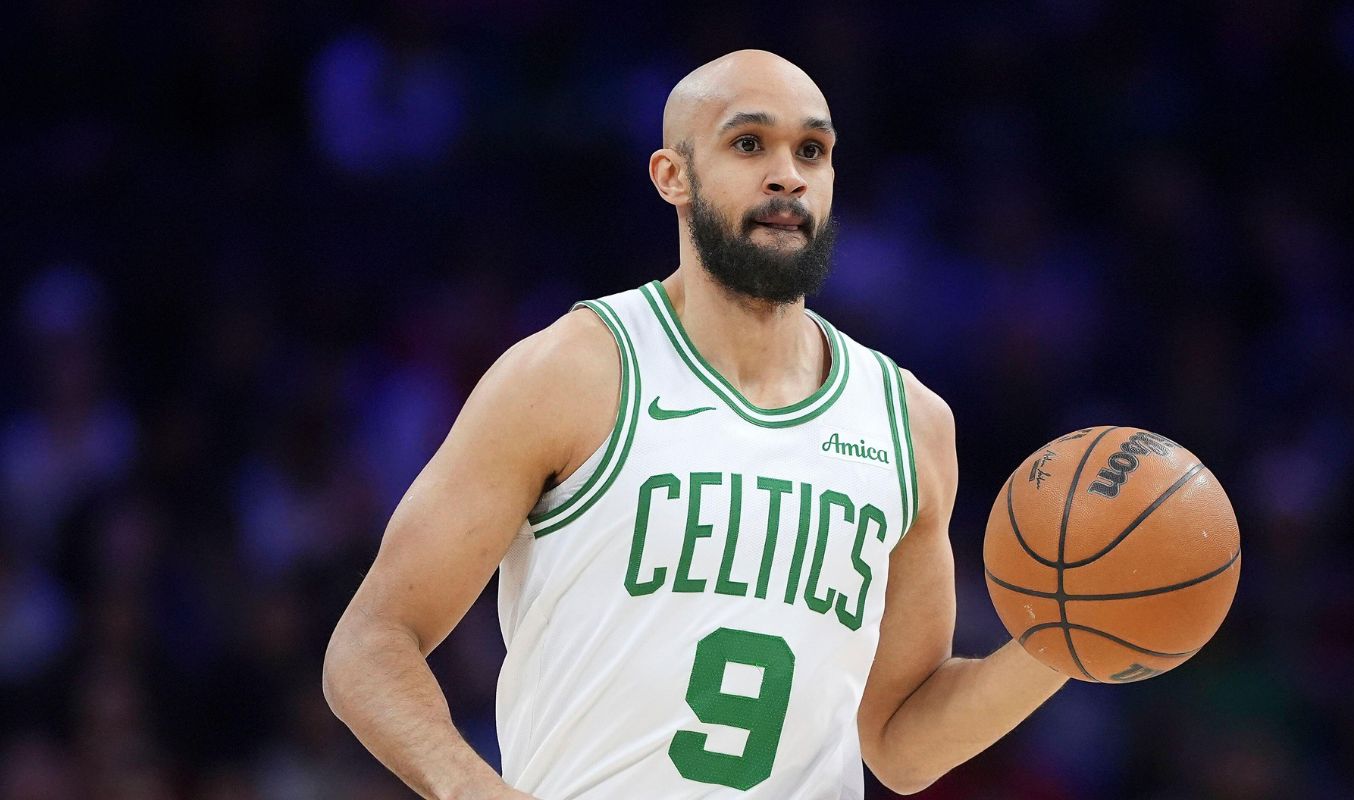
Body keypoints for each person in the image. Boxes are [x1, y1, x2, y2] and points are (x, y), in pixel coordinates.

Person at [323, 49, 1069, 800]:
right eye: (749, 144)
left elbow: (901, 743)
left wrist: (1070, 641)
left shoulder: (909, 422)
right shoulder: (571, 374)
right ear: (672, 176)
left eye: (812, 150)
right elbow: (368, 643)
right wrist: (469, 788)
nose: (788, 175)